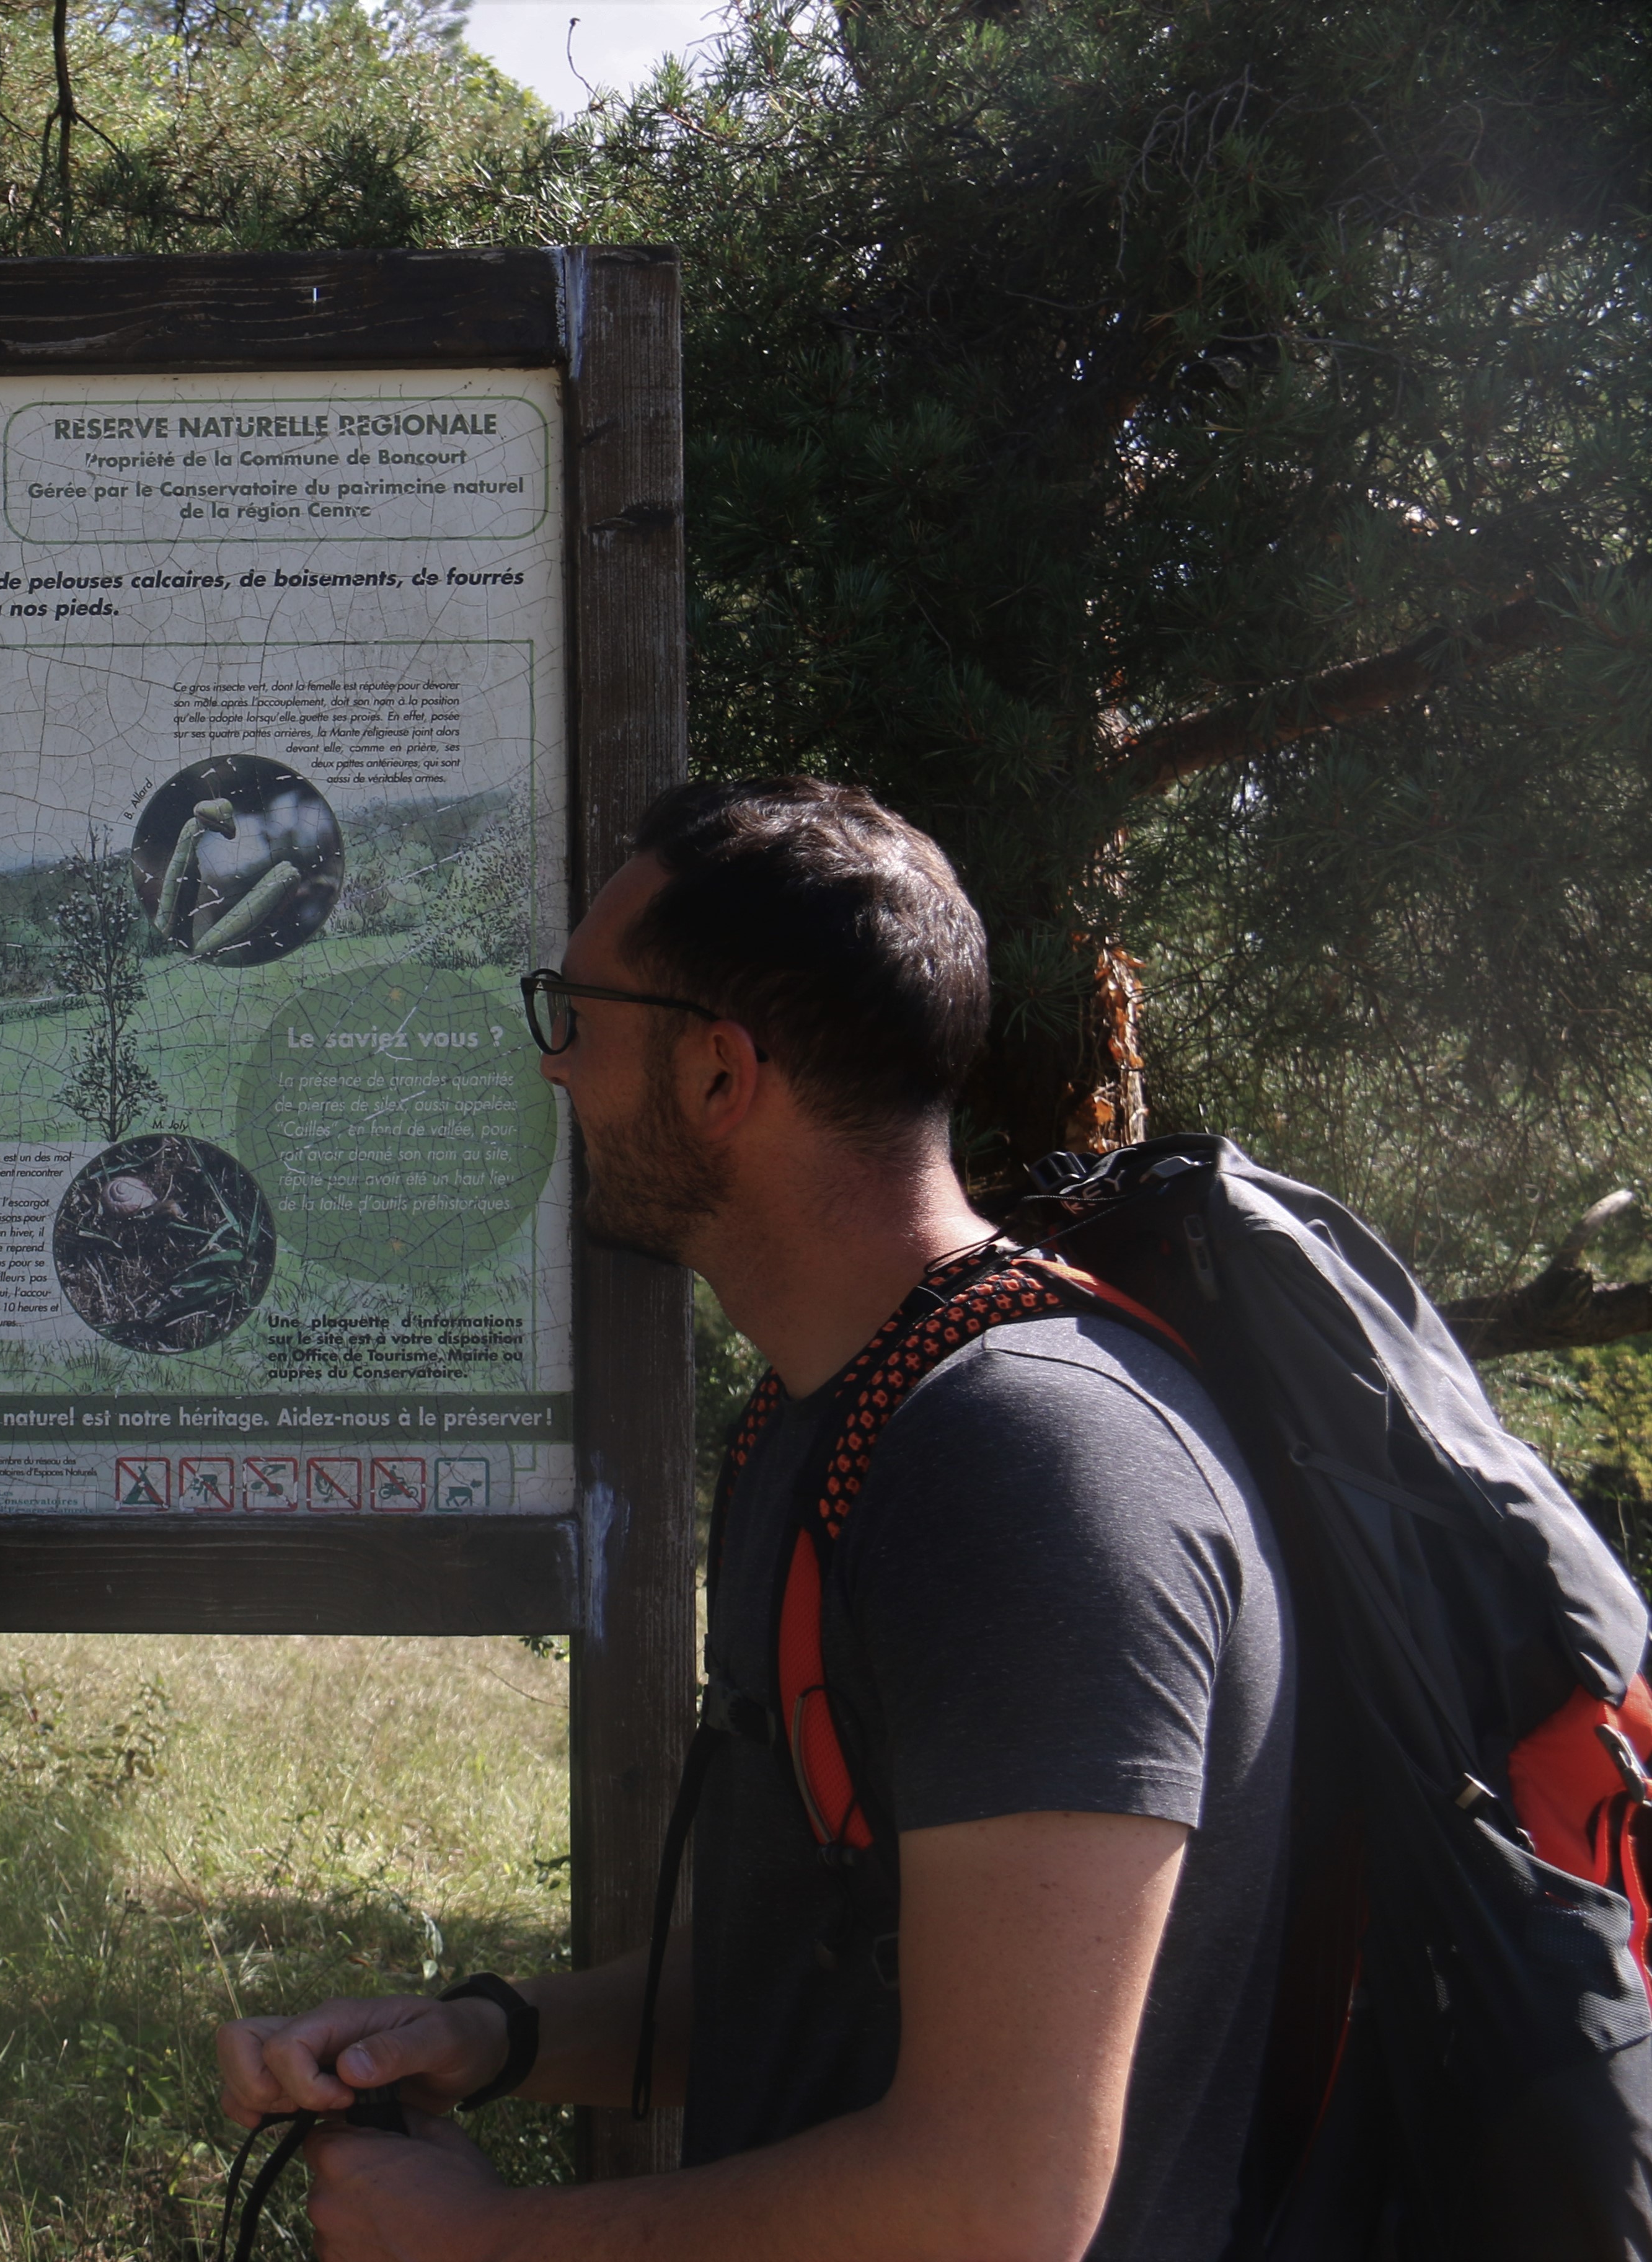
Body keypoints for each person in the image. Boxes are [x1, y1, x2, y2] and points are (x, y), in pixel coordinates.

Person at [214, 780, 1296, 2262]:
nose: (553, 1070)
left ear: (721, 1077)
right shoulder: (838, 1419)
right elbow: (817, 1973)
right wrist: (479, 2036)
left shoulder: (1026, 1470)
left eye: (575, 1014)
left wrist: (483, 2244)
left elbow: (996, 2203)